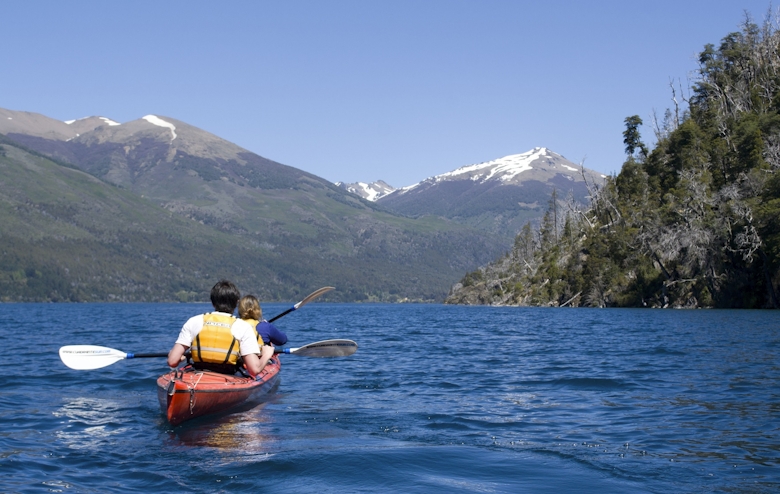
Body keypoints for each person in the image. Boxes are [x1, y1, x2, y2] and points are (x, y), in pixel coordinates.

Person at [167, 280, 263, 377]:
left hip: (198, 374)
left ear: (213, 303)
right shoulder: (243, 326)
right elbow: (254, 369)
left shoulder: (194, 321)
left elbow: (172, 361)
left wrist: (178, 356)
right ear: (236, 304)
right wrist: (267, 354)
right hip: (228, 376)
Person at [237, 294, 276, 371]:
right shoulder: (264, 326)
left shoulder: (235, 324)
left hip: (239, 362)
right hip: (256, 362)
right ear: (258, 310)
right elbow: (282, 340)